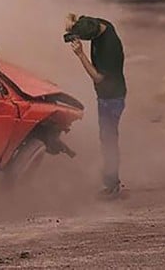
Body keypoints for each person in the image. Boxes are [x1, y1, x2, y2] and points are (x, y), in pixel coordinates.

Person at [65, 14, 127, 199]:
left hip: (111, 98)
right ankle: (110, 178)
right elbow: (74, 16)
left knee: (108, 140)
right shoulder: (103, 24)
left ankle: (112, 184)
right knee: (107, 138)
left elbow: (98, 77)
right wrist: (72, 25)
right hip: (110, 96)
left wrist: (80, 54)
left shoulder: (110, 49)